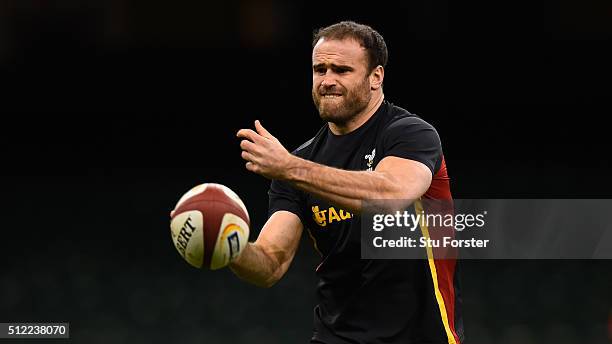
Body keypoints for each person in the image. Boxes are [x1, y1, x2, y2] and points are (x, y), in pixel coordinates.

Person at [233, 21, 464, 344]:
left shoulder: (410, 134)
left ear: (376, 77)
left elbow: (391, 194)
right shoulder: (298, 162)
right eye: (319, 69)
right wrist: (229, 248)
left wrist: (289, 167)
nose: (327, 80)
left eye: (341, 70)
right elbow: (271, 262)